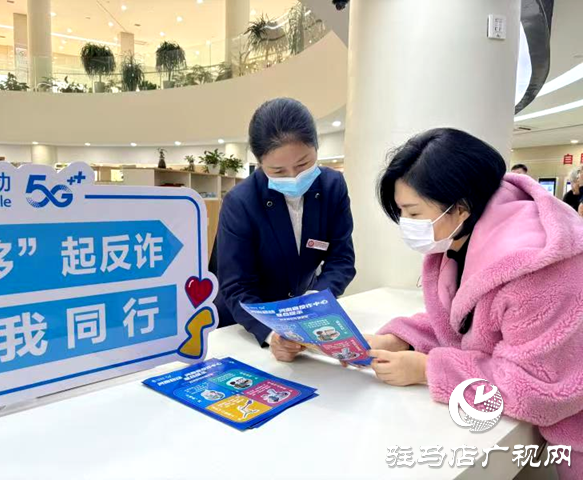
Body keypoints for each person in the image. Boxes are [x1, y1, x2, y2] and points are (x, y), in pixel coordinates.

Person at [358, 128, 582, 479]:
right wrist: (398, 339)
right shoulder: (460, 241)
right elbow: (463, 323)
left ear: (460, 207)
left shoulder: (540, 270)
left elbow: (537, 388)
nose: (406, 225)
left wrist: (427, 370)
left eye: (413, 213)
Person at [215, 98, 356, 360]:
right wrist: (272, 333)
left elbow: (342, 259)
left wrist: (314, 301)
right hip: (244, 325)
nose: (293, 176)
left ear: (316, 147)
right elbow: (236, 285)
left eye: (303, 164)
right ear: (260, 163)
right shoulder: (241, 202)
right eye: (278, 171)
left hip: (302, 320)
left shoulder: (332, 187)